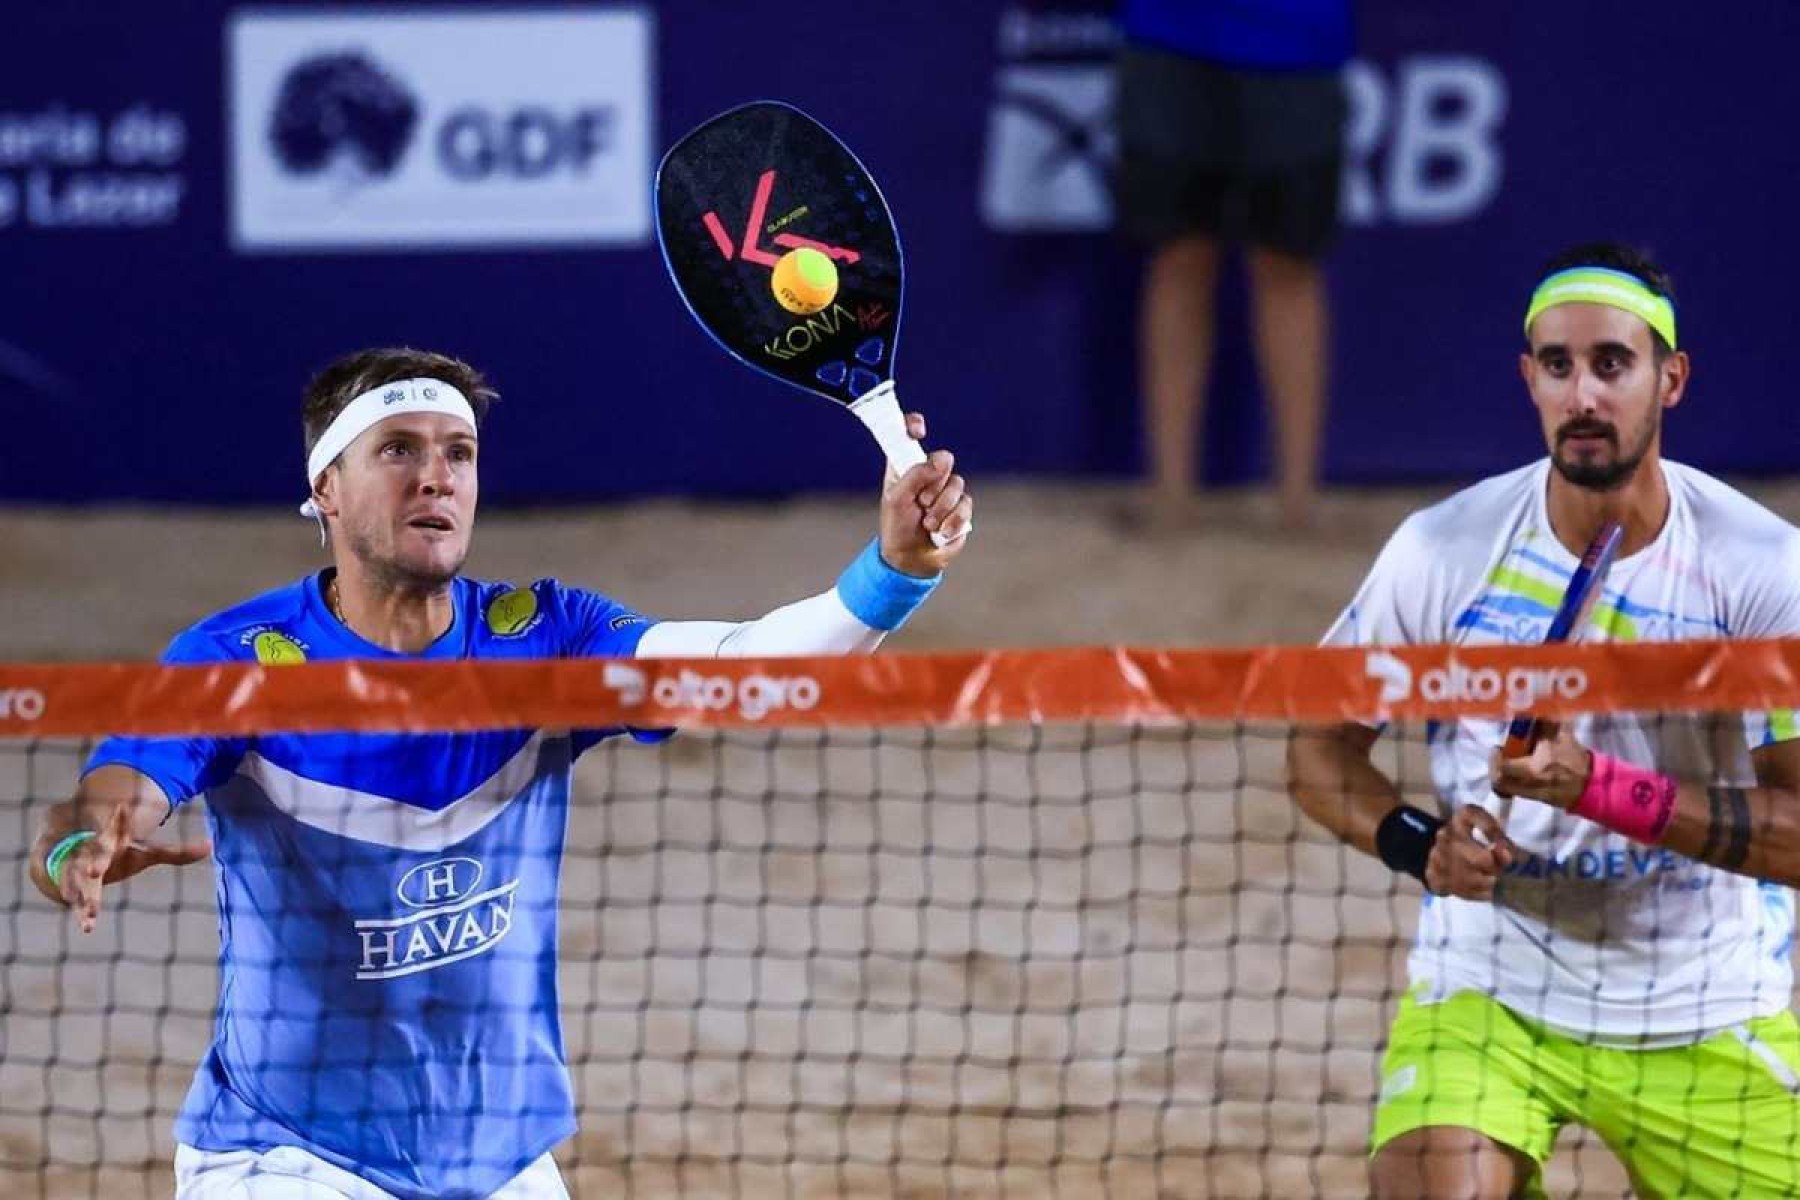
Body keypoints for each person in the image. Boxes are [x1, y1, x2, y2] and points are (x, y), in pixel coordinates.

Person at [27, 346, 973, 1200]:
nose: (436, 476)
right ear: (326, 487)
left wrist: (894, 569)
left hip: (500, 1156)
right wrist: (83, 837)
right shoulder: (235, 657)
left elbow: (745, 660)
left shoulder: (547, 636)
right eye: (397, 450)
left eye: (458, 453)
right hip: (288, 1156)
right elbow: (120, 784)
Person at [1287, 243, 1800, 1198]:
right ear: (1530, 379)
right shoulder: (1442, 551)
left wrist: (1598, 788)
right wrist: (1418, 843)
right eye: (1558, 367)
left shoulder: (1764, 570)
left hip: (1704, 999)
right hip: (1494, 993)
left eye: (1613, 364)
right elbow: (1319, 749)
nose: (1583, 396)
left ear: (1670, 380)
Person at [1114, 0, 1352, 532]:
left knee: (1287, 262)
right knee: (1178, 255)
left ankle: (1298, 502)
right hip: (1168, 34)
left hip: (1298, 36)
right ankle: (1170, 499)